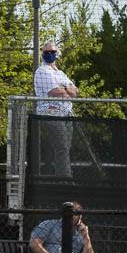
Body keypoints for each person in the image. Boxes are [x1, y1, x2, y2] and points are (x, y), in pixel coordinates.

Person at [34, 41, 79, 176]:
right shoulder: (42, 71)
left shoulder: (60, 73)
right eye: (47, 52)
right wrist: (66, 90)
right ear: (42, 54)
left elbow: (75, 91)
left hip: (66, 113)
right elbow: (54, 91)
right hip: (51, 112)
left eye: (52, 52)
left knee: (66, 148)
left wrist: (64, 89)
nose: (50, 54)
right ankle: (65, 179)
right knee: (62, 147)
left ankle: (63, 175)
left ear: (56, 54)